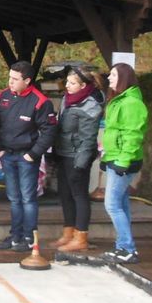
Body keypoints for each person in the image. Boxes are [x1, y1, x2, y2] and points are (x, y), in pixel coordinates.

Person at [0, 61, 56, 251]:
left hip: (27, 156)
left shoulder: (40, 101)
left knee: (28, 198)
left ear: (27, 80)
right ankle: (15, 235)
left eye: (15, 79)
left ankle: (29, 237)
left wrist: (33, 154)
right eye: (10, 77)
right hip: (7, 155)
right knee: (14, 198)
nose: (10, 82)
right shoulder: (3, 96)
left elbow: (49, 131)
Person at [52, 67, 106, 253]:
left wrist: (80, 164)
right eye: (67, 82)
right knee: (64, 194)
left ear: (83, 86)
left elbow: (88, 138)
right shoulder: (67, 99)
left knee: (79, 195)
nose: (67, 85)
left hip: (77, 156)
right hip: (63, 153)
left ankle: (81, 236)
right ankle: (68, 232)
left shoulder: (90, 105)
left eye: (72, 83)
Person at [100, 62, 148, 264]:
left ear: (124, 78)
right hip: (115, 157)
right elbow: (114, 132)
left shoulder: (131, 103)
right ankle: (123, 247)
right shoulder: (119, 100)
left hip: (124, 160)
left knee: (111, 204)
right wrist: (107, 158)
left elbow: (133, 135)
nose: (109, 78)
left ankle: (127, 247)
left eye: (113, 75)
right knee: (120, 203)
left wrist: (123, 161)